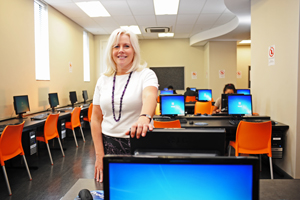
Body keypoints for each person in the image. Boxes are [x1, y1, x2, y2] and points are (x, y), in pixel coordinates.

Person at [91, 28, 158, 182]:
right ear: (110, 51)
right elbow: (95, 119)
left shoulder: (145, 74)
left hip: (140, 142)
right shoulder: (103, 79)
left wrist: (144, 117)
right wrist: (99, 155)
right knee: (113, 189)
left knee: (141, 187)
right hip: (109, 145)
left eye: (126, 46)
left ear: (134, 49)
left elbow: (150, 96)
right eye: (116, 46)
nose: (121, 50)